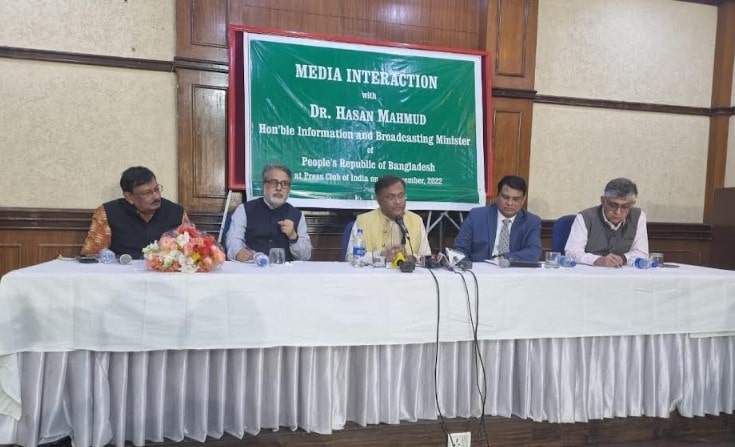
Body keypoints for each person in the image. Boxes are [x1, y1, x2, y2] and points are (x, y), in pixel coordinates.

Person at [81, 166, 188, 259]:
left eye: (157, 189)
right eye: (147, 193)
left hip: (164, 273)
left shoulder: (177, 212)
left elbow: (190, 251)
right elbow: (92, 253)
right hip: (122, 273)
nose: (156, 197)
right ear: (129, 197)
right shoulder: (107, 212)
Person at [226, 164, 312, 262]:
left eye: (284, 183)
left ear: (289, 189)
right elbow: (233, 241)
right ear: (264, 186)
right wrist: (238, 252)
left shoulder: (297, 215)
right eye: (274, 182)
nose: (279, 188)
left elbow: (305, 256)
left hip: (285, 270)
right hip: (252, 267)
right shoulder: (244, 210)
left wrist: (293, 237)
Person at [454, 175, 542, 262]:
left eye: (515, 199)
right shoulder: (477, 216)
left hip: (512, 269)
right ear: (497, 196)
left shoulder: (531, 221)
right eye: (505, 197)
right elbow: (460, 248)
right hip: (480, 269)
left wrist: (502, 258)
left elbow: (534, 252)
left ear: (523, 200)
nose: (509, 203)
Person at [564, 177, 649, 267]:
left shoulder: (638, 216)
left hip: (622, 271)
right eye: (613, 205)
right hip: (591, 272)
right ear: (603, 201)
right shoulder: (585, 217)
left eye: (625, 207)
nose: (618, 212)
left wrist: (623, 258)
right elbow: (572, 252)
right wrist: (597, 260)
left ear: (632, 204)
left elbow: (642, 253)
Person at [346, 175, 431, 262]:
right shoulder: (363, 221)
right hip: (373, 271)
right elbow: (351, 257)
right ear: (379, 200)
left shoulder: (416, 220)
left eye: (401, 196)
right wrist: (381, 255)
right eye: (391, 197)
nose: (397, 202)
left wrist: (411, 257)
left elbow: (426, 257)